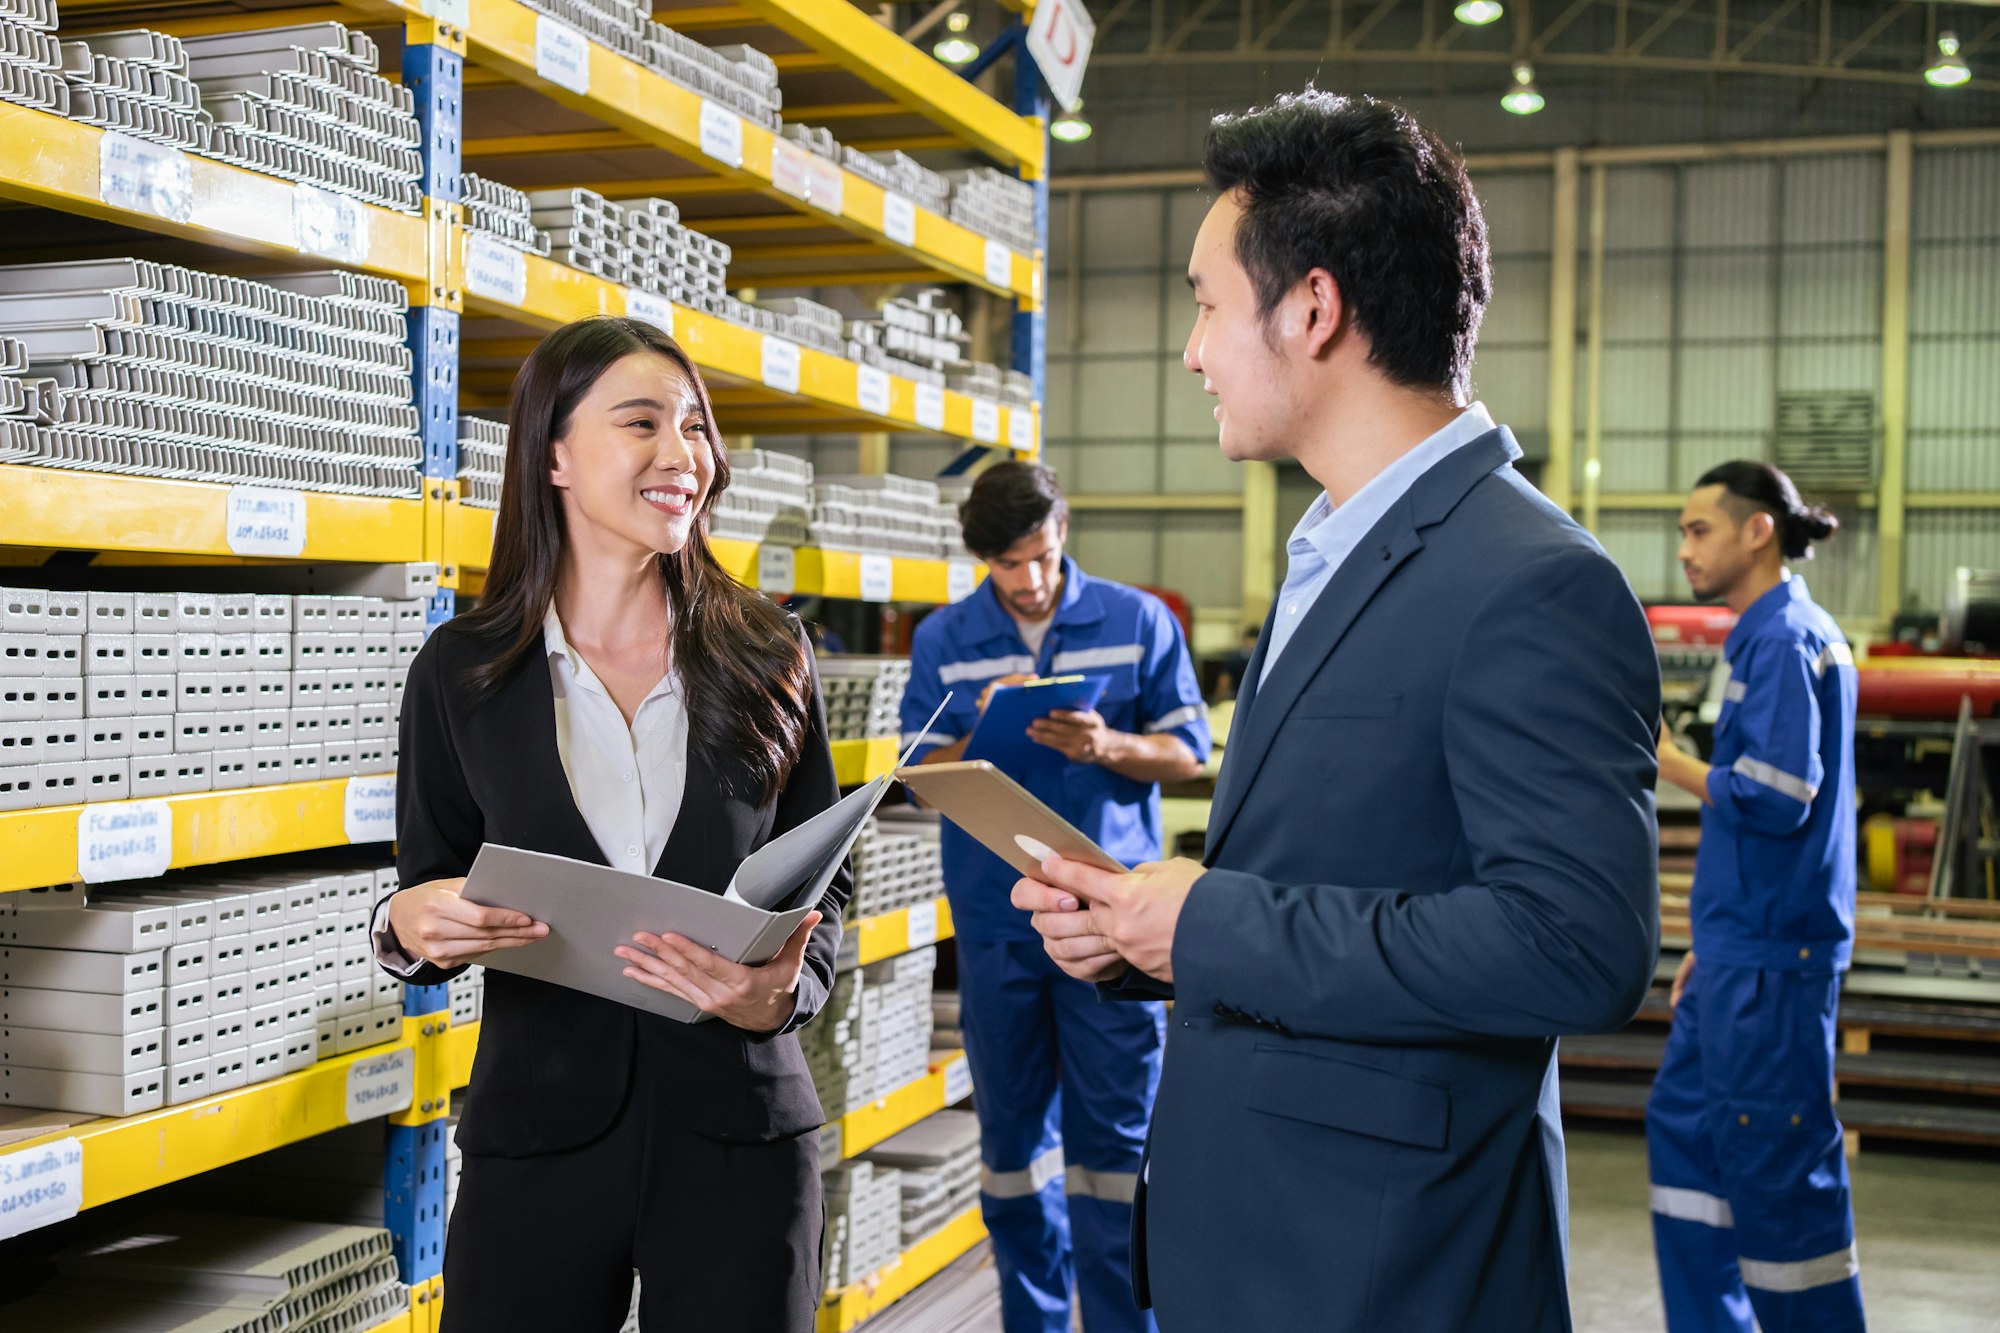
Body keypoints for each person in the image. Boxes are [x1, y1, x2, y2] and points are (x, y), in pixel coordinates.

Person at [1009, 90, 1662, 1331]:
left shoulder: (1529, 582)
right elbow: (1343, 868)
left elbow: (1574, 948)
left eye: (1204, 304)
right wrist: (1147, 937)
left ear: (1311, 308)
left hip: (1385, 1267)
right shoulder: (1337, 549)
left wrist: (1208, 918)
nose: (1191, 350)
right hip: (1263, 1243)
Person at [370, 317, 848, 1332]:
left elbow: (825, 883)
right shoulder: (461, 672)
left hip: (740, 1131)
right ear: (552, 454)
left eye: (695, 428)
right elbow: (427, 880)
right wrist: (409, 926)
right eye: (642, 423)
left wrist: (782, 995)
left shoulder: (768, 650)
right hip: (539, 1130)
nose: (684, 457)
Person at [899, 461, 1209, 1333]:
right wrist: (979, 731)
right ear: (981, 560)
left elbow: (1187, 750)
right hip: (999, 928)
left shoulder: (1138, 619)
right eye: (1008, 565)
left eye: (1040, 555)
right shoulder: (944, 640)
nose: (1030, 580)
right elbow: (916, 772)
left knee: (1114, 1158)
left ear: (1062, 532)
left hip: (1115, 930)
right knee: (1013, 1158)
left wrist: (1108, 743)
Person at [1650, 462, 1865, 1331]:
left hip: (1775, 962)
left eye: (1699, 529)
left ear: (1756, 532)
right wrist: (1717, 934)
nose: (1684, 547)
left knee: (1779, 1174)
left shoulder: (1782, 638)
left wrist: (1665, 758)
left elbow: (1778, 795)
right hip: (1741, 949)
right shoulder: (1763, 635)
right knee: (1689, 1149)